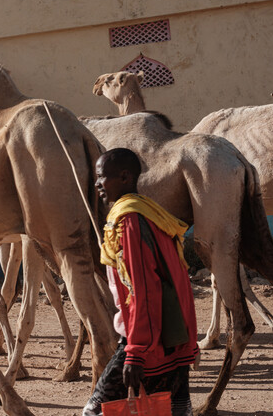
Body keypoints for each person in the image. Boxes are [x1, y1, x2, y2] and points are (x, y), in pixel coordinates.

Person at [82, 148, 198, 416]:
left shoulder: (130, 221)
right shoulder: (146, 211)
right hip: (172, 331)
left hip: (148, 338)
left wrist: (135, 352)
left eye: (102, 178)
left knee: (94, 410)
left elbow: (144, 288)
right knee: (175, 411)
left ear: (124, 177)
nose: (97, 184)